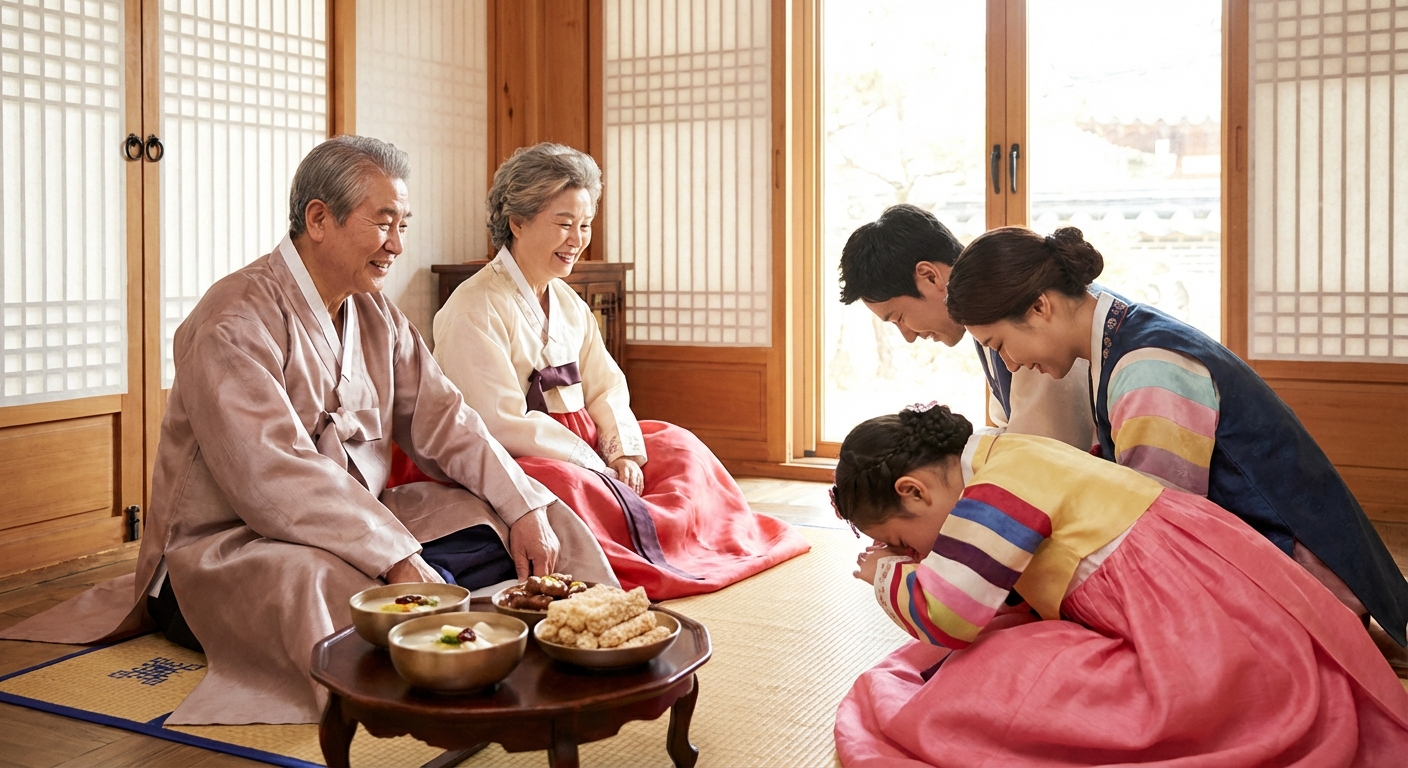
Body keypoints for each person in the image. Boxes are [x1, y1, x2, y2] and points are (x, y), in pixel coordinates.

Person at [0, 136, 615, 725]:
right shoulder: (232, 319)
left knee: (527, 513)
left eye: (404, 224)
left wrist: (521, 504)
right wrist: (395, 553)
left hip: (358, 518)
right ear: (319, 219)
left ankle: (578, 637)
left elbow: (448, 420)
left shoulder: (375, 312)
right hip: (234, 544)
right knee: (324, 583)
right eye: (383, 222)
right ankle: (445, 640)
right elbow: (273, 473)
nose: (397, 244)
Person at [832, 405, 1408, 766]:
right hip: (1217, 592)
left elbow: (947, 617)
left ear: (913, 492)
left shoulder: (994, 490)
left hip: (1196, 629)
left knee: (996, 669)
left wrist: (885, 574)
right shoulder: (1003, 449)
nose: (915, 554)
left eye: (904, 540)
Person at [944, 225, 1408, 649]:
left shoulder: (1149, 368)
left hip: (1304, 579)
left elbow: (1153, 533)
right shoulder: (1119, 334)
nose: (1008, 365)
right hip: (1259, 550)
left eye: (1000, 345)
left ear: (1040, 306)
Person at [410, 142, 809, 599]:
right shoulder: (473, 308)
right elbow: (494, 422)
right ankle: (654, 548)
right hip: (522, 454)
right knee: (565, 484)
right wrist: (589, 459)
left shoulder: (568, 303)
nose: (578, 239)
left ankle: (694, 541)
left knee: (679, 446)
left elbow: (605, 386)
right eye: (563, 224)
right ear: (516, 222)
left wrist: (620, 452)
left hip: (586, 441)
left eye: (584, 225)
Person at [837, 204, 1095, 450]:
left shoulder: (1016, 310)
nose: (908, 336)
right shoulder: (987, 314)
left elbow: (1044, 450)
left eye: (899, 318)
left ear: (929, 276)